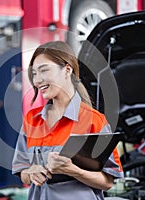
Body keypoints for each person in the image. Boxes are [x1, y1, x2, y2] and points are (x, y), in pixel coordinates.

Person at [12, 41, 123, 200]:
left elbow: (107, 182)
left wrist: (72, 170)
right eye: (34, 73)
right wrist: (30, 173)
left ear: (67, 69)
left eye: (44, 70)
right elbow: (22, 171)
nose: (37, 80)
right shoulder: (32, 120)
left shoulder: (94, 121)